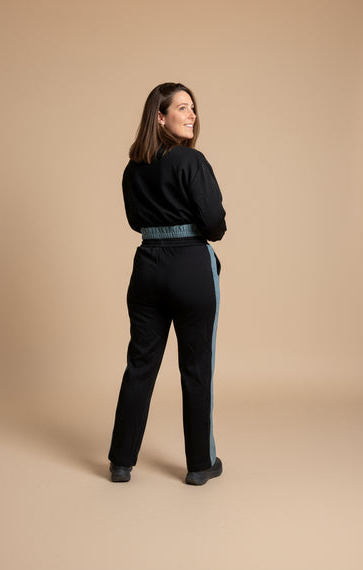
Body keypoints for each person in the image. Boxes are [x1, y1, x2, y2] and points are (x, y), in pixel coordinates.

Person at [108, 82, 227, 485]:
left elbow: (134, 221)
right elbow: (214, 223)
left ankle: (121, 462)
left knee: (140, 364)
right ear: (160, 117)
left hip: (146, 267)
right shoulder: (191, 161)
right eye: (182, 108)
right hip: (190, 265)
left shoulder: (132, 169)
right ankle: (200, 465)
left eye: (193, 108)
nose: (192, 114)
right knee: (196, 367)